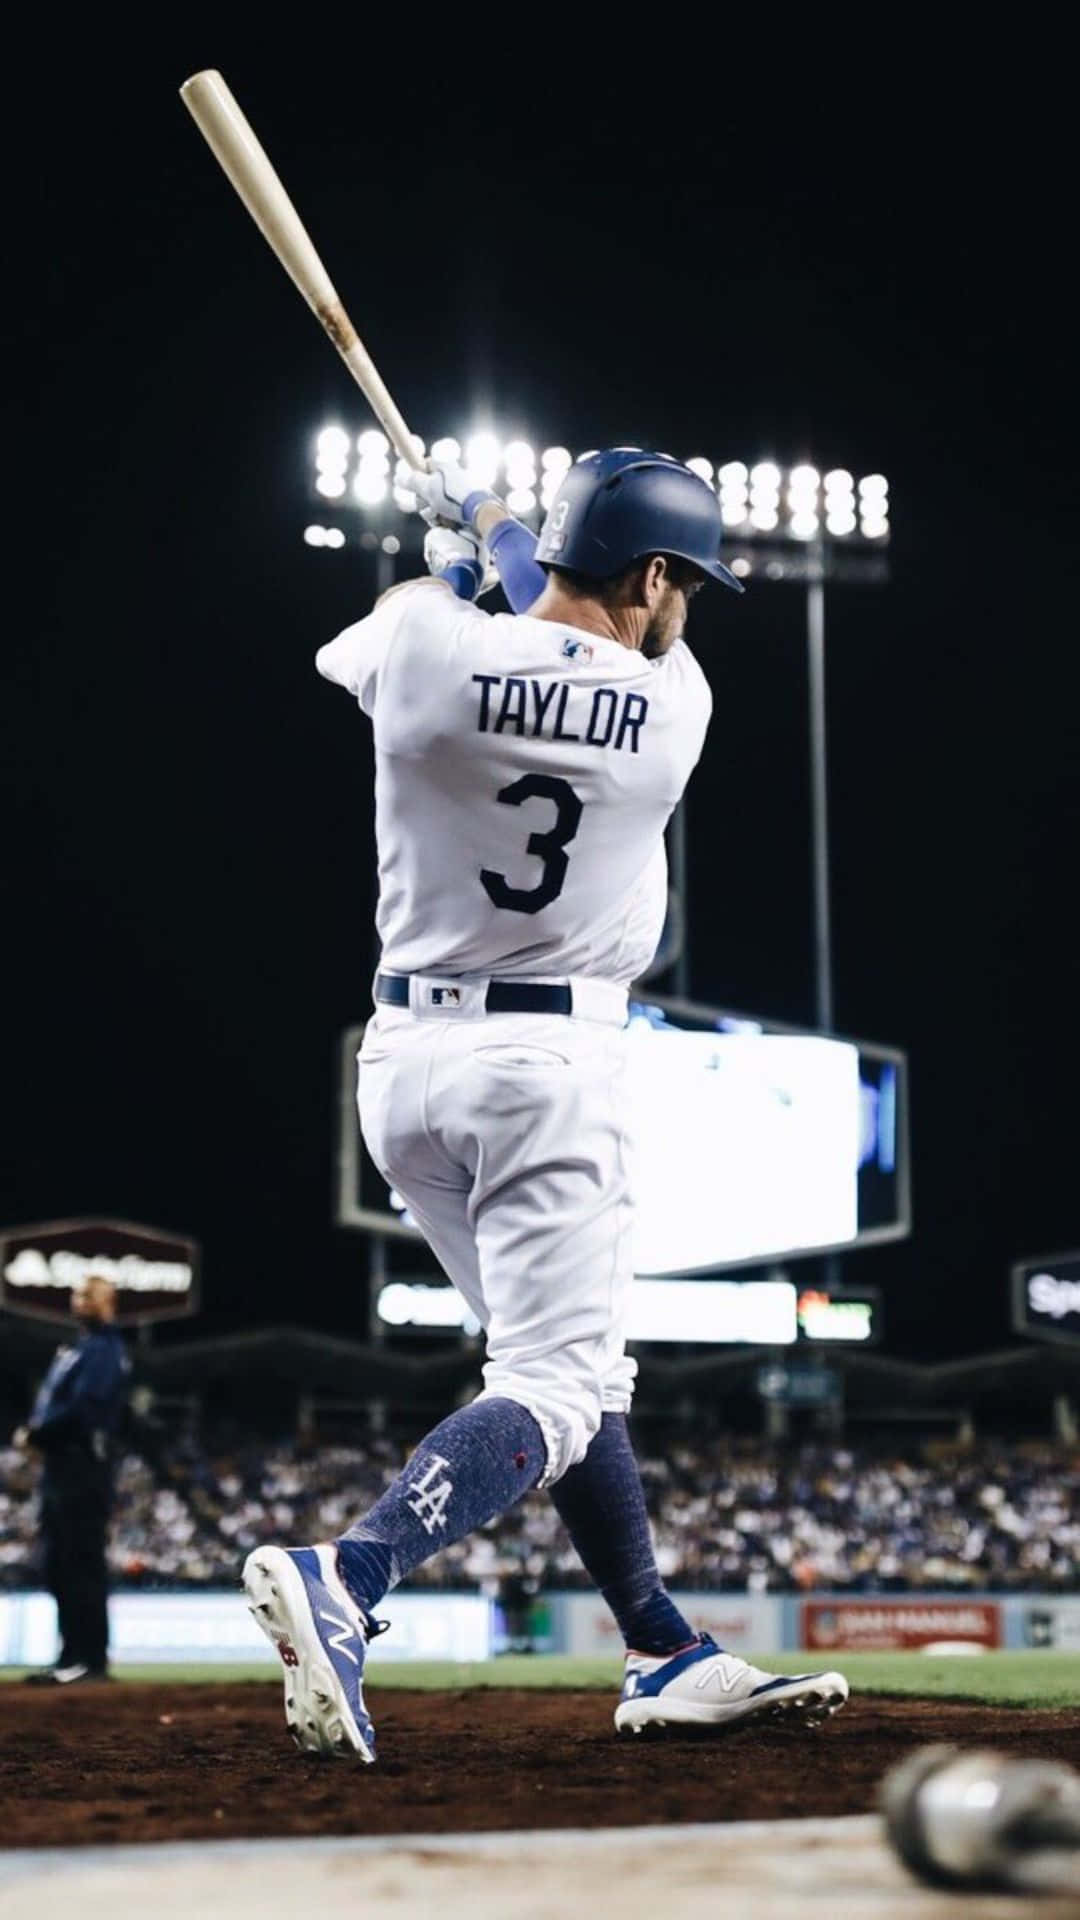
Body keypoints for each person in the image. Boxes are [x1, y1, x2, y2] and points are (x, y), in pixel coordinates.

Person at [244, 447, 849, 1758]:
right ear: (648, 576)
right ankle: (350, 1576)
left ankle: (660, 1645)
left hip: (403, 1066)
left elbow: (393, 651)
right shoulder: (676, 701)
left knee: (581, 1374)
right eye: (682, 578)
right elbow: (575, 646)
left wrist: (461, 565)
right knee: (558, 1383)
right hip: (549, 1075)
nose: (683, 603)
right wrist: (504, 552)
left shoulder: (417, 647)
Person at [14, 1273, 132, 1684]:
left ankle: (89, 1658)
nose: (78, 1300)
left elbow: (86, 1410)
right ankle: (70, 1655)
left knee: (80, 1560)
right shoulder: (81, 1347)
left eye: (88, 1295)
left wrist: (37, 1433)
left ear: (109, 1302)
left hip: (81, 1466)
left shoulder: (104, 1348)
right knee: (59, 1561)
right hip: (62, 1467)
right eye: (77, 1294)